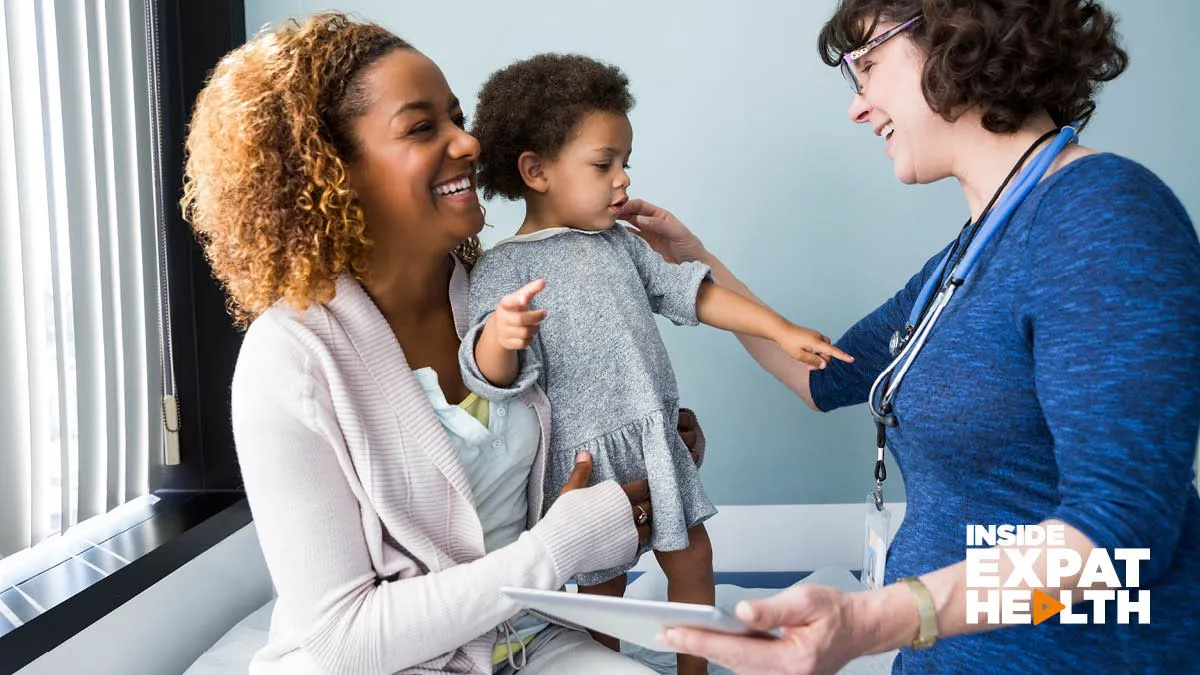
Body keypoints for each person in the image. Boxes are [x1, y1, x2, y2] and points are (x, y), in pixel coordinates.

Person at [620, 0, 1200, 673]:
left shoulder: (1103, 215)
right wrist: (695, 259)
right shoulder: (961, 263)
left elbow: (1121, 534)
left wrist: (879, 617)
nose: (858, 106)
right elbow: (820, 375)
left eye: (866, 67)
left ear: (957, 36)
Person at [180, 12, 699, 674]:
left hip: (524, 637)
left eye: (457, 117)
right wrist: (559, 546)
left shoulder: (498, 294)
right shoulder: (289, 360)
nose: (469, 143)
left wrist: (648, 455)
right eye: (423, 127)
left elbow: (559, 460)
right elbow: (345, 635)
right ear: (330, 172)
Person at [458, 53, 853, 675]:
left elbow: (692, 292)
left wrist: (779, 327)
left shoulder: (619, 244)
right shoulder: (502, 269)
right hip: (584, 458)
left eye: (625, 164)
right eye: (602, 164)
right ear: (536, 170)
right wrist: (501, 338)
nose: (621, 180)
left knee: (693, 558)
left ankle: (694, 670)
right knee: (601, 592)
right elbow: (486, 377)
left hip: (652, 436)